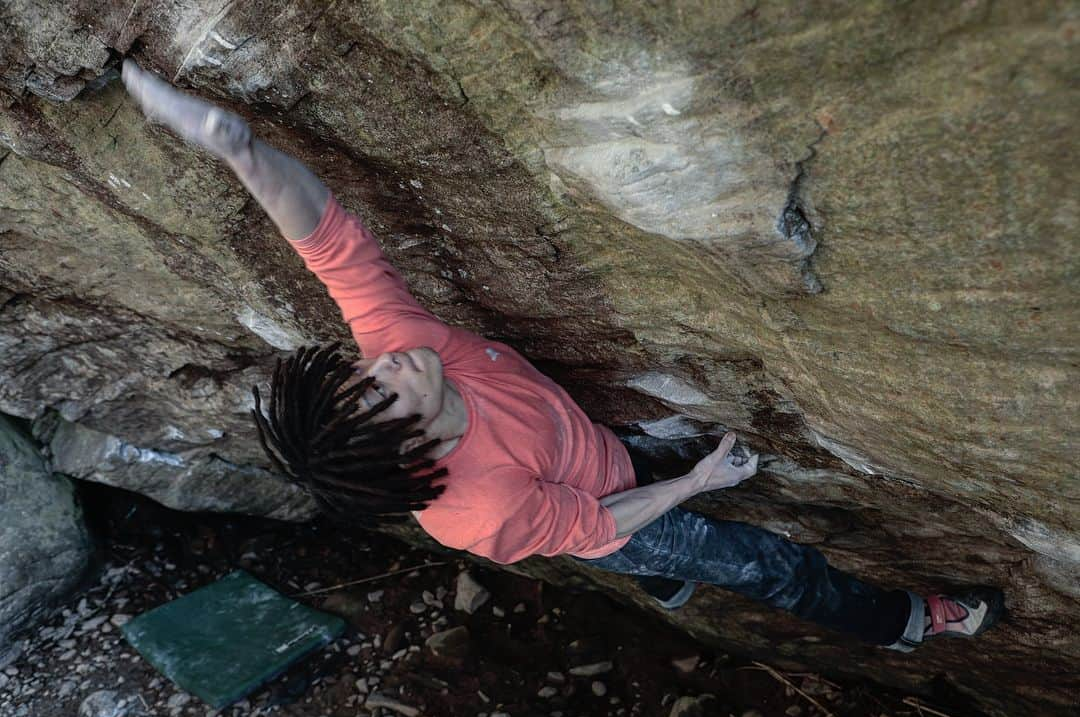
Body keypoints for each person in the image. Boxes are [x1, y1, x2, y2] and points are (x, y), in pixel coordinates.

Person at [120, 59, 1003, 652]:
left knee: (646, 488)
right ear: (417, 451)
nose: (384, 363)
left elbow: (327, 237)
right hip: (606, 510)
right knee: (770, 565)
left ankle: (666, 581)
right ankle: (911, 622)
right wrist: (699, 484)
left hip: (584, 446)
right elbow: (602, 525)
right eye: (384, 391)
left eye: (364, 370)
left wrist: (238, 148)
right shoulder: (477, 510)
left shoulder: (400, 348)